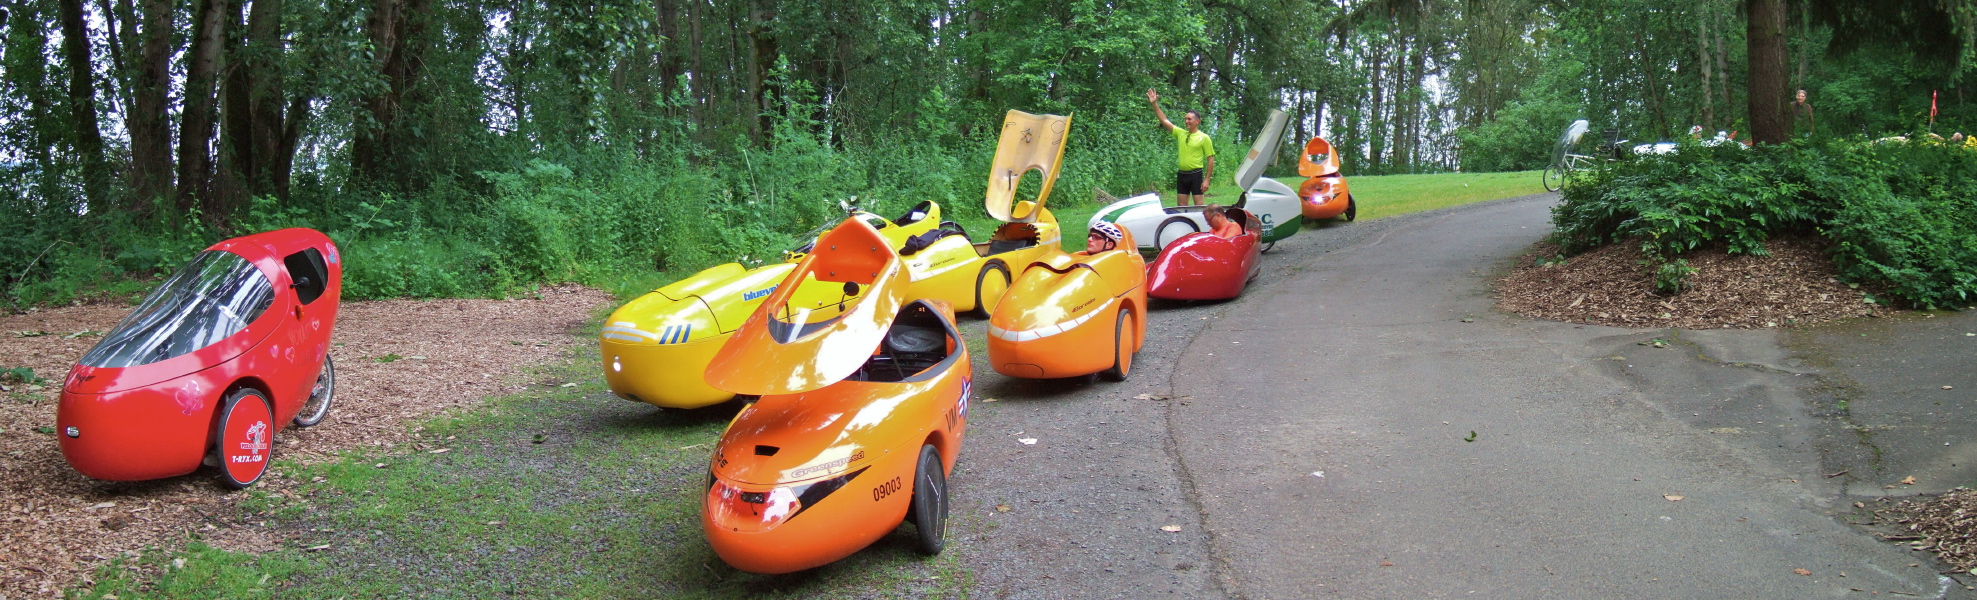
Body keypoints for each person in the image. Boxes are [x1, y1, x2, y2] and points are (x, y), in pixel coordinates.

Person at [1145, 88, 1216, 207]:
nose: (1186, 121)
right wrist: (1154, 104)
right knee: (1181, 207)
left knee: (1199, 206)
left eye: (1189, 119)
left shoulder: (1204, 137)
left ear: (1197, 121)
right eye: (1185, 119)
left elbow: (1210, 159)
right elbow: (1164, 120)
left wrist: (1207, 179)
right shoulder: (1181, 133)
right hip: (1182, 175)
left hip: (1196, 174)